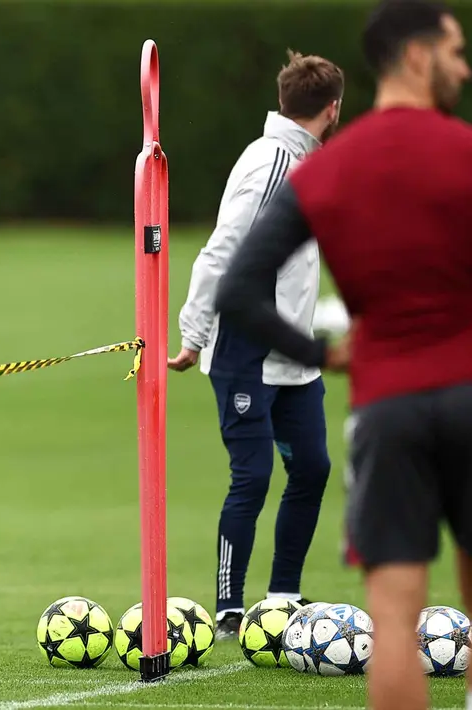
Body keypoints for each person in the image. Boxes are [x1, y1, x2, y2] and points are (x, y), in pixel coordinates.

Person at [213, 1, 472, 708]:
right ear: (416, 58)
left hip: (386, 407)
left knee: (390, 623)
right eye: (454, 52)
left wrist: (318, 352)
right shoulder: (463, 151)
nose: (464, 66)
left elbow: (234, 288)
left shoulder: (331, 169)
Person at [169, 50, 344, 640]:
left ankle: (283, 598)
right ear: (334, 109)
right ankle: (227, 608)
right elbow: (222, 252)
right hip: (244, 348)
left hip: (291, 353)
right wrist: (194, 333)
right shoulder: (271, 163)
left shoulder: (308, 162)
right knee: (253, 475)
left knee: (313, 469)